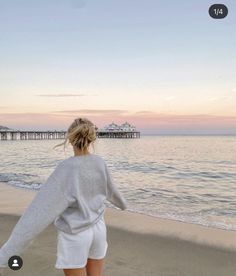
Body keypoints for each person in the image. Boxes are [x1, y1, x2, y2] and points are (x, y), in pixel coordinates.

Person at [0, 117, 128, 276]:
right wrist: (123, 204)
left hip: (76, 235)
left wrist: (4, 255)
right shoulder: (99, 162)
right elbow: (112, 191)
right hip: (99, 230)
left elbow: (38, 213)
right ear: (91, 139)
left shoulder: (66, 168)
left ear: (70, 138)